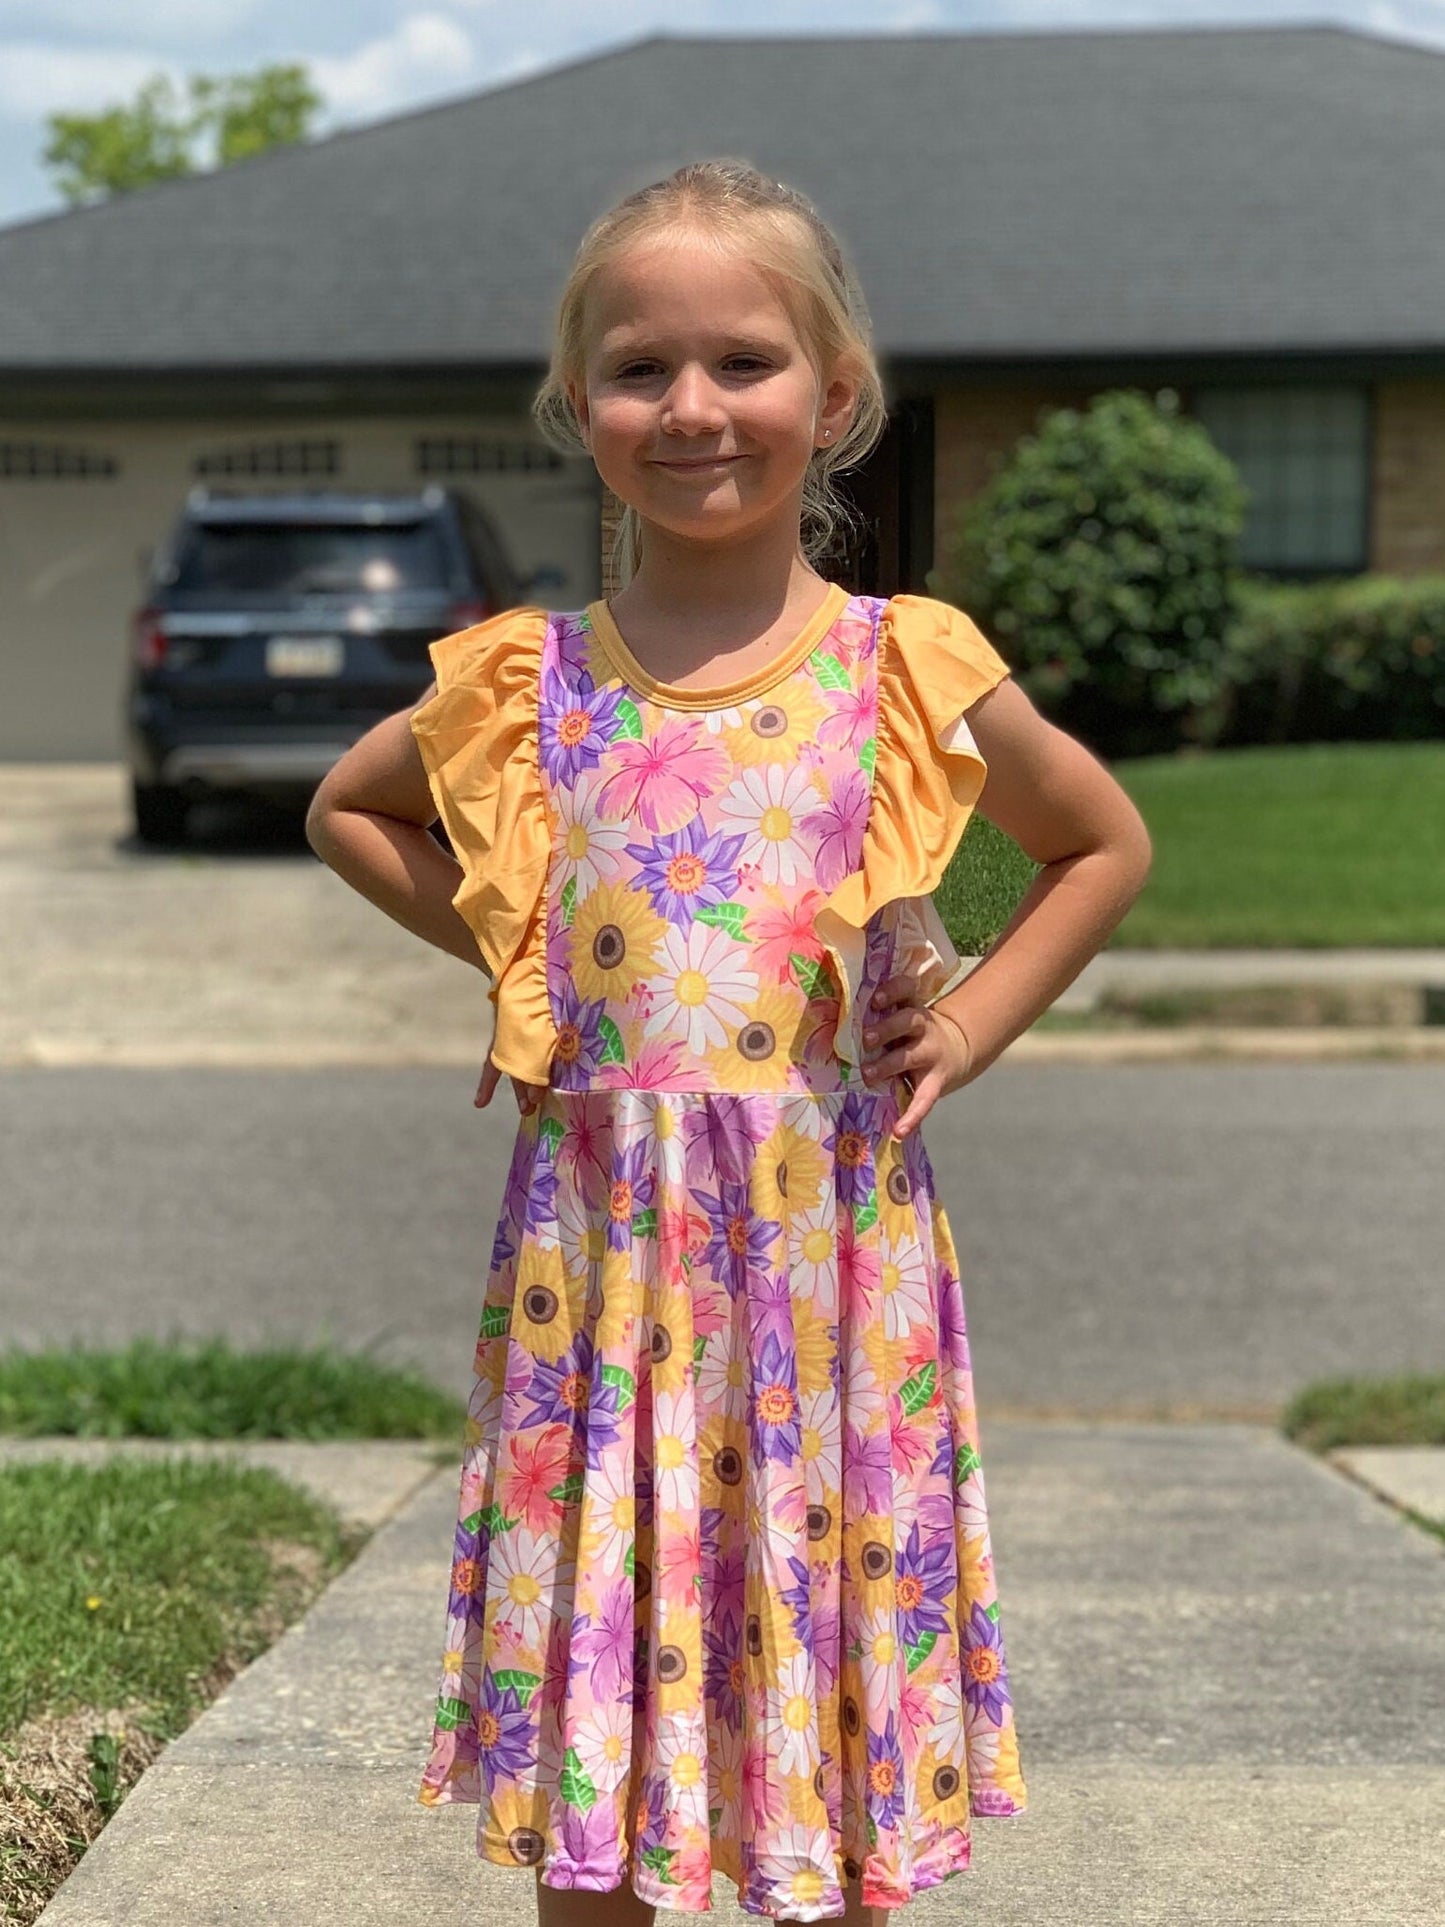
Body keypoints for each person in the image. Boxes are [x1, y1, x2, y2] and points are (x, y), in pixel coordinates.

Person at [306, 159, 1152, 1927]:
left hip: (830, 1266)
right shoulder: (529, 682)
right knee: (602, 1694)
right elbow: (349, 809)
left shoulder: (900, 666)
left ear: (833, 397)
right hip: (601, 1277)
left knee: (819, 1676)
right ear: (581, 406)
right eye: (638, 368)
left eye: (744, 362)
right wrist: (517, 953)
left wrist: (971, 1019)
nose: (692, 407)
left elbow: (1101, 842)